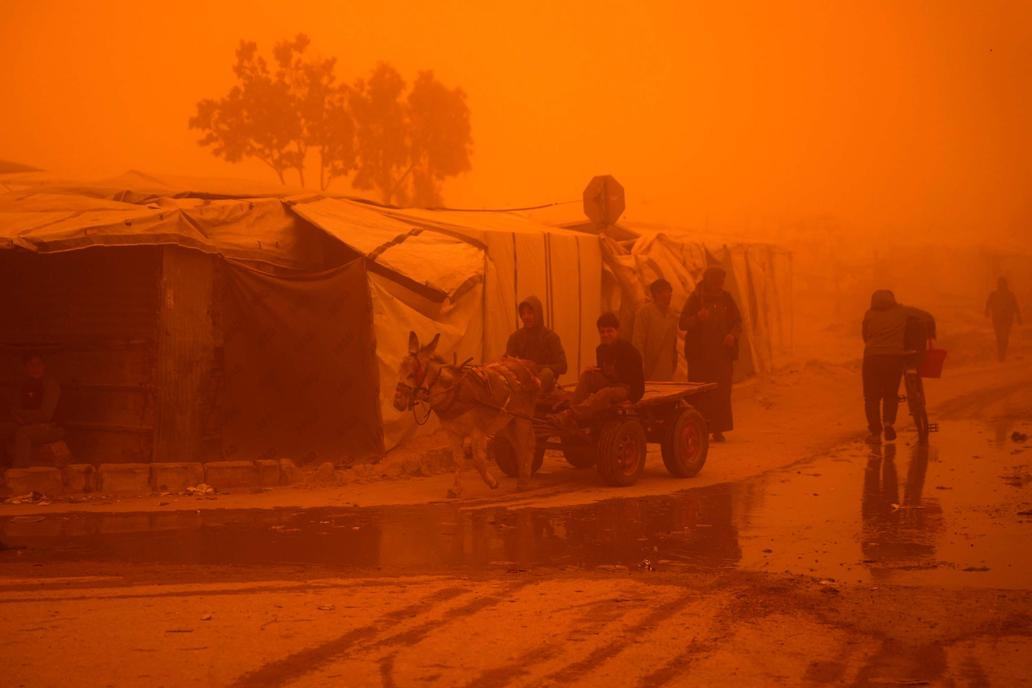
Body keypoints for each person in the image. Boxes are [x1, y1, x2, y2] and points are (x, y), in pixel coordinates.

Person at [861, 290, 936, 443]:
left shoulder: (869, 314)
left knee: (871, 397)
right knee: (890, 394)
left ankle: (875, 433)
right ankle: (888, 423)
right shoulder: (902, 311)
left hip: (871, 359)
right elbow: (925, 316)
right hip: (893, 359)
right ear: (892, 299)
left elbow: (864, 336)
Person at [679, 266, 741, 442]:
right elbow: (682, 323)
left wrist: (732, 335)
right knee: (700, 393)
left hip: (721, 356)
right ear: (709, 281)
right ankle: (699, 429)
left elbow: (738, 321)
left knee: (721, 392)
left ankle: (718, 429)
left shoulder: (726, 298)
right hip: (700, 356)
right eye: (717, 281)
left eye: (722, 281)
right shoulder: (696, 299)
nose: (720, 285)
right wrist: (698, 318)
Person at [550, 312, 644, 426]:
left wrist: (633, 399)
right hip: (610, 384)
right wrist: (595, 371)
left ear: (617, 331)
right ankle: (571, 411)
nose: (605, 334)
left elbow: (639, 380)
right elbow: (604, 373)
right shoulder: (600, 349)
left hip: (625, 388)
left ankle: (571, 415)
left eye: (609, 331)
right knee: (587, 375)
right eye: (602, 331)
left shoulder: (629, 351)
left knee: (605, 393)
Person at [0, 352, 63, 468]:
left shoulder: (50, 385)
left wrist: (23, 417)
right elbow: (14, 409)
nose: (35, 369)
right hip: (26, 424)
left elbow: (45, 415)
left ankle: (20, 472)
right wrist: (19, 418)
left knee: (23, 434)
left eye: (38, 364)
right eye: (31, 365)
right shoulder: (23, 385)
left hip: (51, 427)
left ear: (44, 366)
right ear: (25, 368)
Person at [505, 296, 567, 391]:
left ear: (538, 313)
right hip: (522, 379)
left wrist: (537, 367)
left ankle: (531, 397)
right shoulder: (516, 337)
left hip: (542, 379)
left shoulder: (550, 337)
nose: (526, 317)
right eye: (523, 314)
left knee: (547, 373)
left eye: (530, 313)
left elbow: (563, 366)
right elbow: (507, 360)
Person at [632, 278, 679, 381]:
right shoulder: (644, 312)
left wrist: (674, 360)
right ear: (657, 294)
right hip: (649, 368)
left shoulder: (672, 314)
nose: (669, 295)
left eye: (670, 291)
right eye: (666, 292)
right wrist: (640, 365)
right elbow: (638, 341)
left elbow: (673, 342)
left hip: (666, 368)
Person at [985, 277, 1022, 361]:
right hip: (997, 318)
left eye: (1003, 283)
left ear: (1005, 284)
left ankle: (1003, 354)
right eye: (1000, 283)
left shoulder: (1010, 294)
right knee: (998, 336)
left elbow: (1015, 305)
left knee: (1005, 336)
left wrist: (1019, 316)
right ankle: (1000, 354)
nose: (1001, 284)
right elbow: (988, 303)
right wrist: (986, 311)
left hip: (1007, 319)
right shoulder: (994, 294)